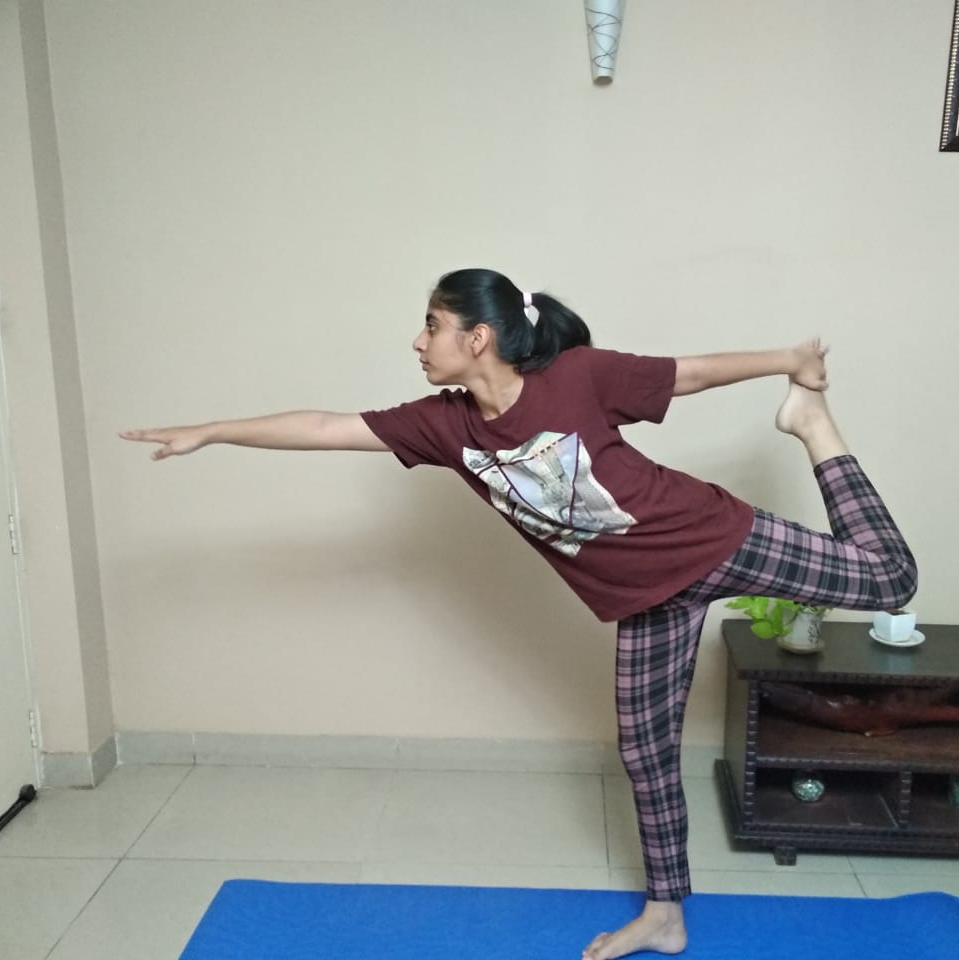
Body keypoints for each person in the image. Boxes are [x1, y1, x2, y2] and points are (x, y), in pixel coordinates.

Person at [121, 267, 918, 960]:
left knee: (892, 578)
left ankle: (814, 429)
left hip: (711, 540)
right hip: (645, 599)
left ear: (477, 338)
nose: (417, 341)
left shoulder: (577, 376)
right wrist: (213, 431)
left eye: (431, 324)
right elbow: (328, 427)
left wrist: (792, 364)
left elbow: (693, 374)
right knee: (644, 754)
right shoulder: (445, 425)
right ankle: (666, 914)